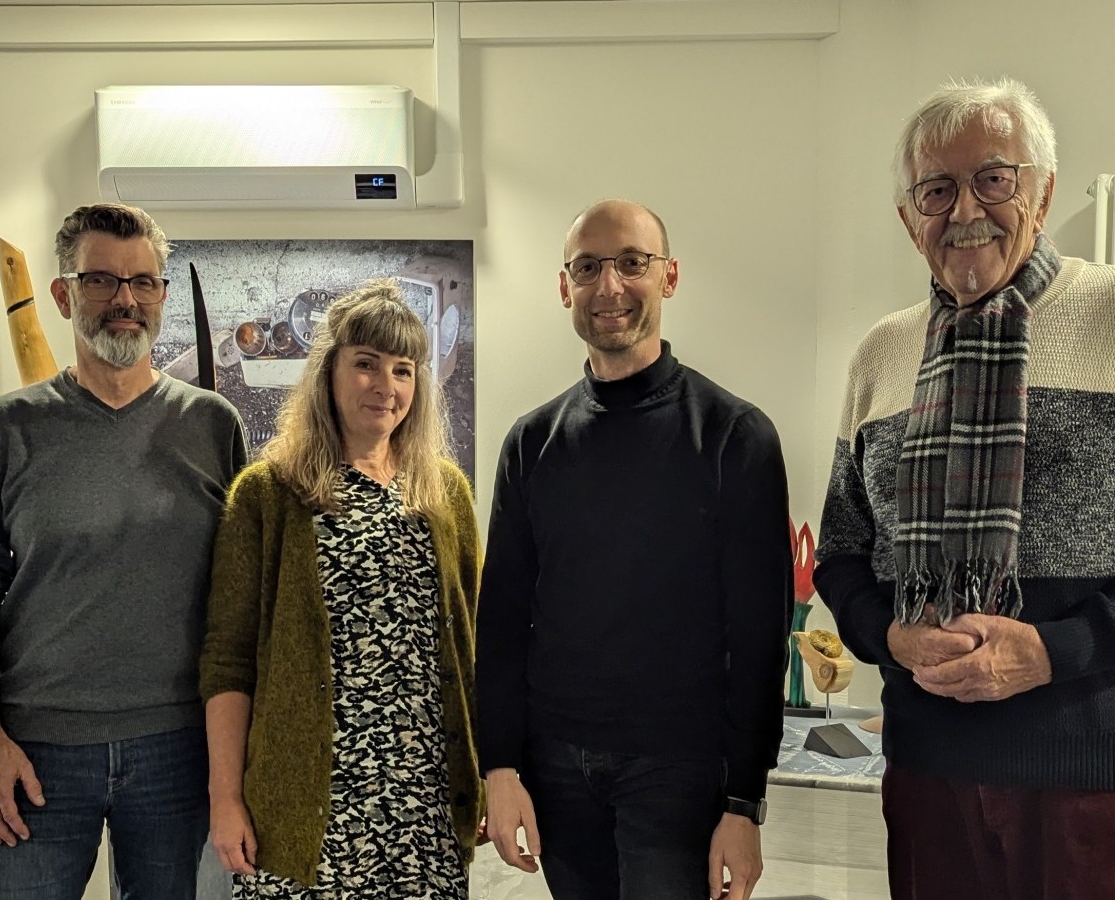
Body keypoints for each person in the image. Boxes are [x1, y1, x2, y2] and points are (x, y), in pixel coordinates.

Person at [815, 78, 1115, 900]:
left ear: (1044, 190)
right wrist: (892, 639)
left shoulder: (1110, 318)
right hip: (928, 773)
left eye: (994, 178)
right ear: (910, 220)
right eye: (936, 191)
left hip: (1093, 778)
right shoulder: (881, 355)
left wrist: (1056, 652)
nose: (963, 211)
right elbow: (840, 554)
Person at [476, 199, 792, 900]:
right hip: (557, 770)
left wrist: (744, 804)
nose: (610, 286)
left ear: (669, 277)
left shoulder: (736, 438)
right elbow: (499, 620)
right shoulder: (532, 443)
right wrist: (499, 767)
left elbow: (760, 637)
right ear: (565, 288)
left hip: (679, 773)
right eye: (588, 267)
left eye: (632, 263)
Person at [0, 203, 248, 899]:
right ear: (62, 293)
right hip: (37, 752)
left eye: (143, 282)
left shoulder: (212, 426)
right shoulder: (4, 429)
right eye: (102, 280)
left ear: (162, 294)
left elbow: (241, 597)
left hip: (178, 751)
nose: (125, 300)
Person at [200, 279, 483, 899]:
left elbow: (470, 652)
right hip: (308, 809)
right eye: (366, 364)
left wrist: (485, 773)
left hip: (422, 807)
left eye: (404, 369)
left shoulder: (445, 495)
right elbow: (227, 661)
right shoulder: (267, 494)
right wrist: (226, 800)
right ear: (327, 372)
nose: (386, 385)